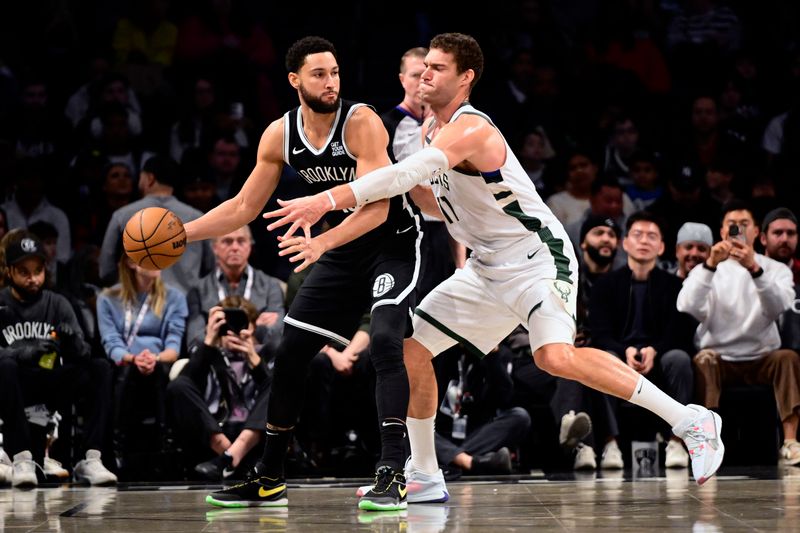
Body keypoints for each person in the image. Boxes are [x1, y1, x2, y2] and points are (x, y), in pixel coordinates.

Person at [265, 33, 725, 493]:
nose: (425, 73)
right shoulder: (429, 130)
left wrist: (327, 199)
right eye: (424, 65)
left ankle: (690, 421)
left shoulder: (472, 128)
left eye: (438, 68)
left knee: (553, 357)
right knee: (411, 351)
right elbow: (427, 200)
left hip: (537, 258)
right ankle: (424, 474)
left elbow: (409, 173)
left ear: (465, 78)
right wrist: (378, 197)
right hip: (485, 267)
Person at [182, 36, 422, 511]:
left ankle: (393, 472)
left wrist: (321, 242)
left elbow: (378, 208)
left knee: (387, 341)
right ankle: (270, 475)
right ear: (294, 80)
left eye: (334, 72)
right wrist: (179, 235)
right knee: (291, 352)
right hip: (340, 248)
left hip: (391, 244)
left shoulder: (361, 122)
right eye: (319, 74)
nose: (331, 82)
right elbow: (243, 207)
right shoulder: (279, 134)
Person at [677, 200, 800, 465]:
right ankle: (708, 444)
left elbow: (780, 306)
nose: (738, 230)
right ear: (722, 232)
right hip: (720, 358)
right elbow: (686, 305)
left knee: (788, 358)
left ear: (757, 232)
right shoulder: (706, 270)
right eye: (732, 225)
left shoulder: (775, 269)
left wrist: (754, 269)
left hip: (762, 357)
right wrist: (710, 265)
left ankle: (790, 442)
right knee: (704, 359)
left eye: (744, 224)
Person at [0, 231, 117, 487]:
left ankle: (91, 459)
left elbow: (84, 353)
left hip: (51, 382)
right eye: (24, 271)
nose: (33, 279)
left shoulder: (58, 303)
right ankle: (22, 459)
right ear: (9, 271)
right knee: (5, 365)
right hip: (13, 386)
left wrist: (74, 344)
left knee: (99, 368)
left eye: (38, 270)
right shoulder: (2, 303)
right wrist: (22, 352)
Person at [588, 211, 696, 469]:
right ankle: (610, 444)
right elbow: (599, 332)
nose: (644, 241)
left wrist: (654, 350)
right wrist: (623, 351)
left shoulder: (675, 286)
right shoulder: (605, 285)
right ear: (625, 243)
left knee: (680, 358)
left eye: (651, 236)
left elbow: (679, 333)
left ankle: (677, 442)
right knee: (603, 359)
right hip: (619, 359)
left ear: (661, 246)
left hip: (659, 360)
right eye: (637, 235)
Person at [96, 252, 188, 475]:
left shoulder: (175, 297)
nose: (158, 262)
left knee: (159, 372)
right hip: (124, 364)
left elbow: (173, 347)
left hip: (159, 363)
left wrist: (153, 358)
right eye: (150, 256)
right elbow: (111, 342)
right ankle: (116, 449)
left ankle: (166, 447)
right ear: (130, 262)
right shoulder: (108, 298)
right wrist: (132, 358)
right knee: (116, 372)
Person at [167, 296, 272, 480]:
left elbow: (276, 397)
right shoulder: (205, 353)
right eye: (226, 325)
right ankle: (231, 456)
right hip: (215, 434)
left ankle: (231, 457)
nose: (232, 331)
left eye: (240, 323)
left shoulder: (266, 354)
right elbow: (186, 389)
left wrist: (254, 359)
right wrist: (209, 341)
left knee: (279, 384)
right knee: (178, 385)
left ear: (253, 327)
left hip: (256, 436)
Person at [99, 154, 215, 294]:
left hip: (138, 302)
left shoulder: (122, 215)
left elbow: (106, 270)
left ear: (149, 178)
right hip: (186, 304)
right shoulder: (197, 217)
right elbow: (210, 267)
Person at [185, 225, 285, 348]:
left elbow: (277, 338)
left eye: (241, 241)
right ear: (215, 247)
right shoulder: (198, 289)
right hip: (215, 361)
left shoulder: (271, 286)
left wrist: (254, 333)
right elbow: (193, 341)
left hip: (259, 359)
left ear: (250, 245)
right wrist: (220, 342)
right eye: (227, 241)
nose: (235, 247)